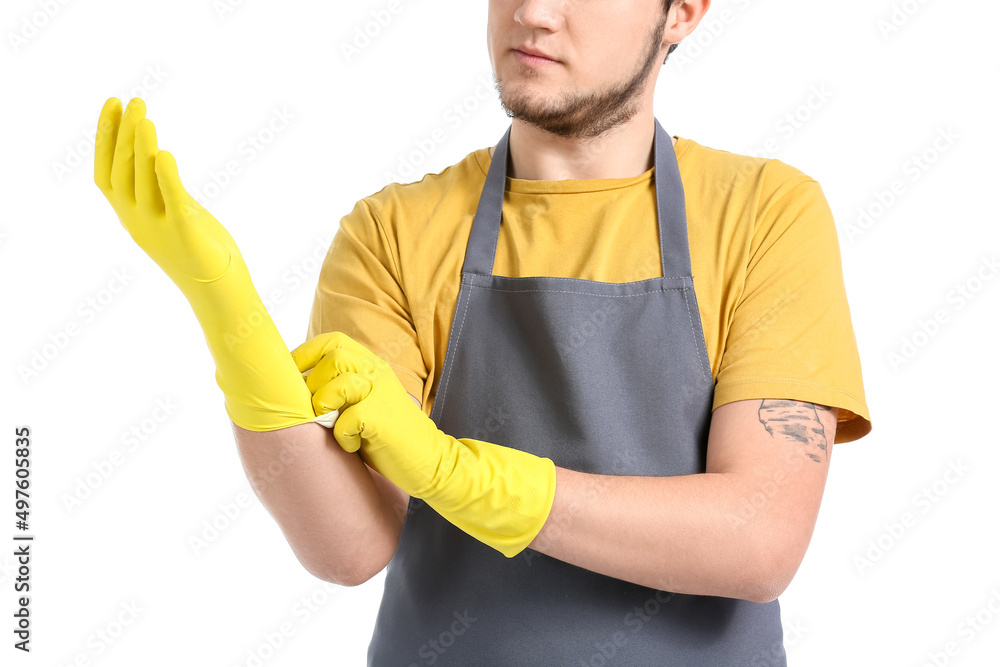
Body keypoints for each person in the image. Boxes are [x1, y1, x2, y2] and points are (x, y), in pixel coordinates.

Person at [95, 0, 872, 664]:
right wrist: (228, 316)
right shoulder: (392, 233)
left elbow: (759, 537)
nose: (531, 11)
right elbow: (350, 546)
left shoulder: (765, 215)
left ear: (685, 10)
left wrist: (457, 473)